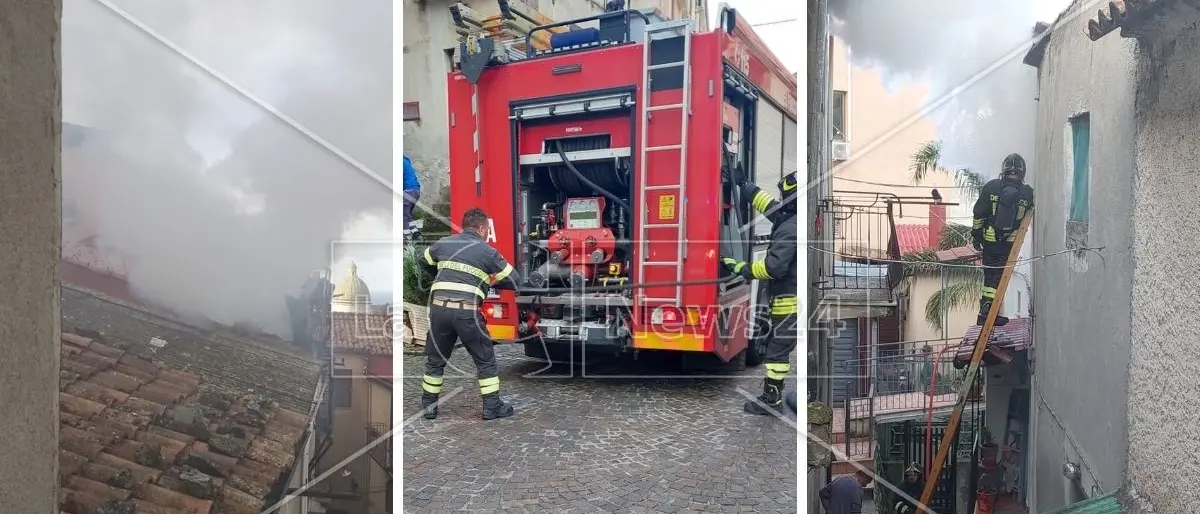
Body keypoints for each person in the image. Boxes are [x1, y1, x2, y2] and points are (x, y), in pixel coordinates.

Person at [419, 207, 519, 421]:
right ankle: (492, 407)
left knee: (435, 360)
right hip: (467, 313)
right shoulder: (487, 252)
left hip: (439, 311)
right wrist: (491, 281)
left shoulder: (443, 243)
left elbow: (423, 260)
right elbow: (514, 279)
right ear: (482, 228)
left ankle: (429, 407)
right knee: (485, 360)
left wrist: (437, 279)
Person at [721, 171, 799, 415]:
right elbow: (769, 205)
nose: (780, 200)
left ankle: (771, 401)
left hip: (790, 304)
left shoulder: (790, 227)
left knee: (777, 352)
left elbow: (774, 267)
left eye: (783, 196)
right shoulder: (791, 217)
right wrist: (745, 185)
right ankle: (771, 397)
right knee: (778, 348)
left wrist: (743, 269)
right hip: (788, 301)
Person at [971, 153, 1035, 327]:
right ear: (1022, 172)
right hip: (1009, 244)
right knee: (998, 278)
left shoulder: (992, 187)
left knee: (990, 279)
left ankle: (986, 313)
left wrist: (976, 236)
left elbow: (979, 215)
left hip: (991, 242)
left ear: (1003, 170)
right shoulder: (1027, 193)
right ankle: (989, 314)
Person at [402, 155, 422, 236]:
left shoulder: (399, 161)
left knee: (402, 213)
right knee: (407, 214)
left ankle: (406, 236)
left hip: (409, 190)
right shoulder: (405, 161)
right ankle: (415, 232)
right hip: (416, 190)